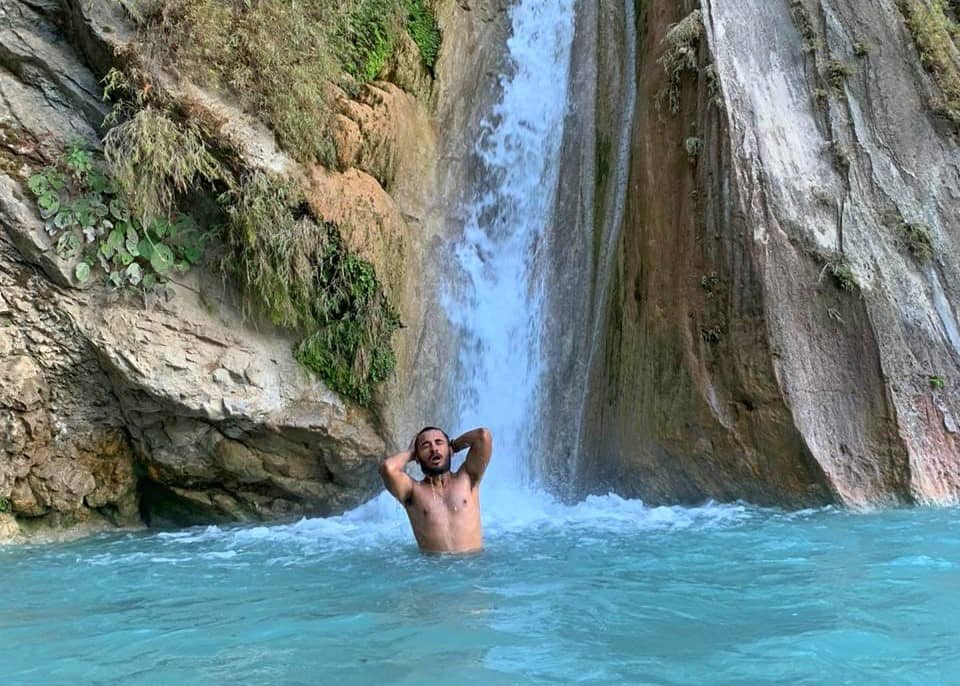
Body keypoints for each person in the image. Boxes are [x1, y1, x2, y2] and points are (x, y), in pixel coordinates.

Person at [379, 426, 493, 553]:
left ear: (449, 450)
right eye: (426, 446)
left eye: (439, 442)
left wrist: (454, 446)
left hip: (473, 566)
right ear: (417, 457)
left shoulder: (468, 479)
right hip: (434, 570)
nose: (434, 449)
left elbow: (483, 436)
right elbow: (388, 468)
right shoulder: (413, 492)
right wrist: (410, 452)